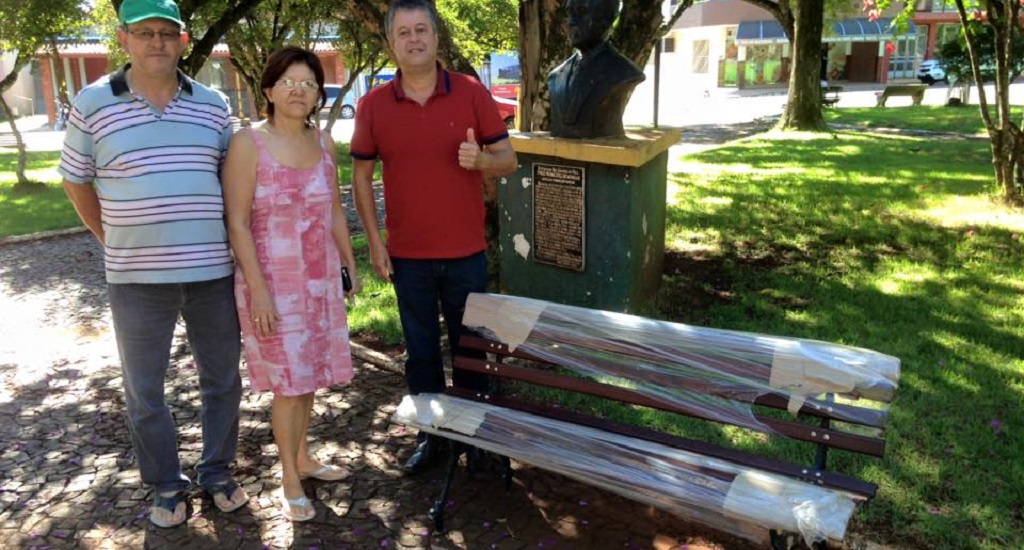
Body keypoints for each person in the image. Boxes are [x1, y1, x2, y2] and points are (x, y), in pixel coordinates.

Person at [59, 0, 247, 528]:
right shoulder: (93, 102)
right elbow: (76, 179)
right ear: (124, 38)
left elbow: (234, 179)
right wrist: (109, 237)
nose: (157, 42)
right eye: (145, 33)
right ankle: (166, 485)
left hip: (212, 271)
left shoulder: (212, 104)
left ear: (183, 41)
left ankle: (217, 472)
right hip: (136, 278)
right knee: (145, 391)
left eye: (167, 32)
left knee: (223, 381)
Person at [350, 0, 517, 475]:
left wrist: (481, 161)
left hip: (466, 253)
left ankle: (475, 436)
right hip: (408, 256)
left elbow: (508, 160)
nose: (414, 39)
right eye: (403, 32)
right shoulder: (373, 105)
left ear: (436, 36)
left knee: (471, 350)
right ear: (391, 43)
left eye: (421, 29)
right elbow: (361, 177)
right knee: (421, 353)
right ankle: (433, 436)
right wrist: (375, 243)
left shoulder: (470, 92)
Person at [222, 46, 360, 522]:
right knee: (289, 383)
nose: (299, 91)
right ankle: (288, 477)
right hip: (272, 285)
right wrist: (258, 290)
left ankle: (303, 456)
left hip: (318, 279)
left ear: (319, 93)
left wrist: (349, 261)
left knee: (310, 375)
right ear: (268, 90)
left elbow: (334, 209)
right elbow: (237, 223)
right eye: (288, 82)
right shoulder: (248, 144)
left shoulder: (323, 142)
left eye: (308, 83)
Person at [547, 0, 645, 139]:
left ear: (605, 19)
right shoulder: (555, 77)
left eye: (581, 12)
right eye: (569, 13)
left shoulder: (624, 72)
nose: (571, 21)